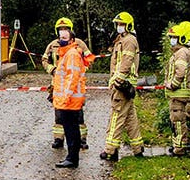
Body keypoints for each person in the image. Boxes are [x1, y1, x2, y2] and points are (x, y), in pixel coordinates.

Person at [49, 18, 96, 168]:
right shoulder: (68, 53)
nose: (61, 39)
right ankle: (71, 157)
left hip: (70, 101)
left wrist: (65, 97)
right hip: (69, 100)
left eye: (64, 36)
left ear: (71, 38)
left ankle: (72, 158)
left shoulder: (72, 54)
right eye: (60, 37)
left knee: (71, 130)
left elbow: (72, 78)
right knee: (71, 129)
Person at [40, 17, 91, 150]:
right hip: (57, 85)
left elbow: (89, 58)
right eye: (60, 29)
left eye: (65, 29)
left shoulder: (79, 44)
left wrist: (81, 70)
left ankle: (82, 139)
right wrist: (52, 70)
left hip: (74, 85)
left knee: (78, 114)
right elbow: (44, 60)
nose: (63, 31)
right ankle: (58, 138)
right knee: (59, 114)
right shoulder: (52, 45)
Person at [99, 11, 144, 161]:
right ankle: (138, 148)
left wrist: (118, 80)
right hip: (125, 84)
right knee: (130, 118)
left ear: (129, 25)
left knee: (116, 116)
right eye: (118, 24)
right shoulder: (123, 39)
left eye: (122, 24)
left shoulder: (129, 40)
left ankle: (110, 150)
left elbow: (126, 62)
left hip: (122, 85)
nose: (119, 26)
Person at [164, 21, 190, 156]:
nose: (172, 40)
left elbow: (180, 71)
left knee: (180, 118)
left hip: (182, 90)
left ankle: (181, 146)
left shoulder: (185, 52)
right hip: (188, 89)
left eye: (174, 38)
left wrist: (172, 84)